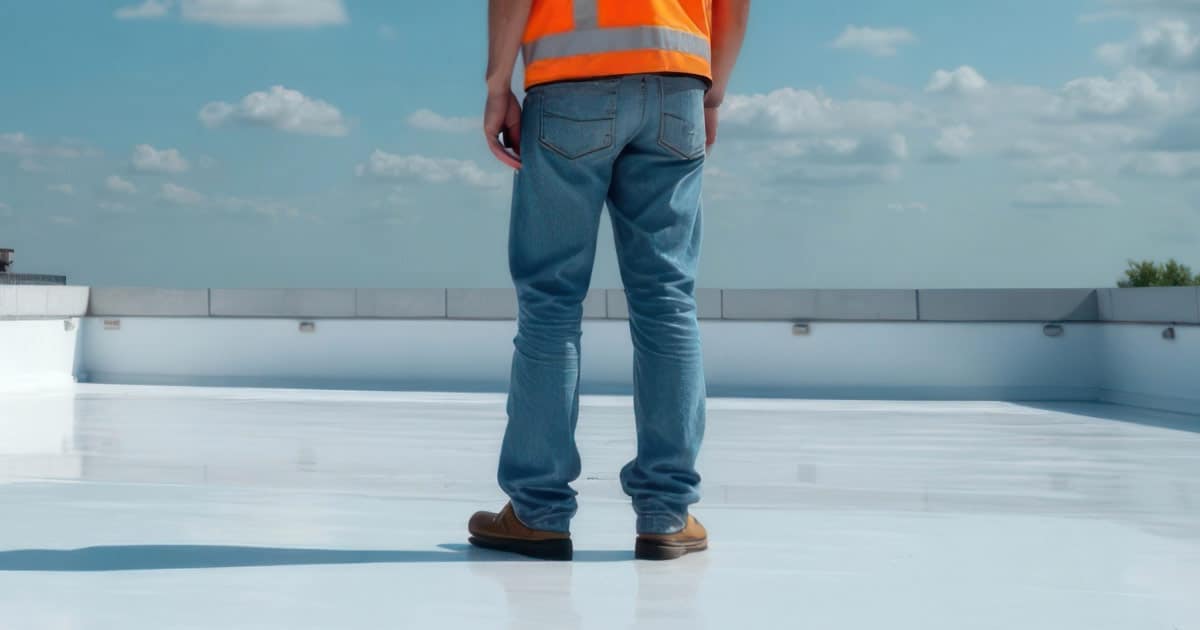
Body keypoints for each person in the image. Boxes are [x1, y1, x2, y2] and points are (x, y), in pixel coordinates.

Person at [468, 0, 751, 562]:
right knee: (667, 299)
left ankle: (538, 512)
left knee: (551, 299)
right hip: (677, 85)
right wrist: (711, 93)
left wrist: (498, 85)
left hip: (569, 85)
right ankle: (667, 513)